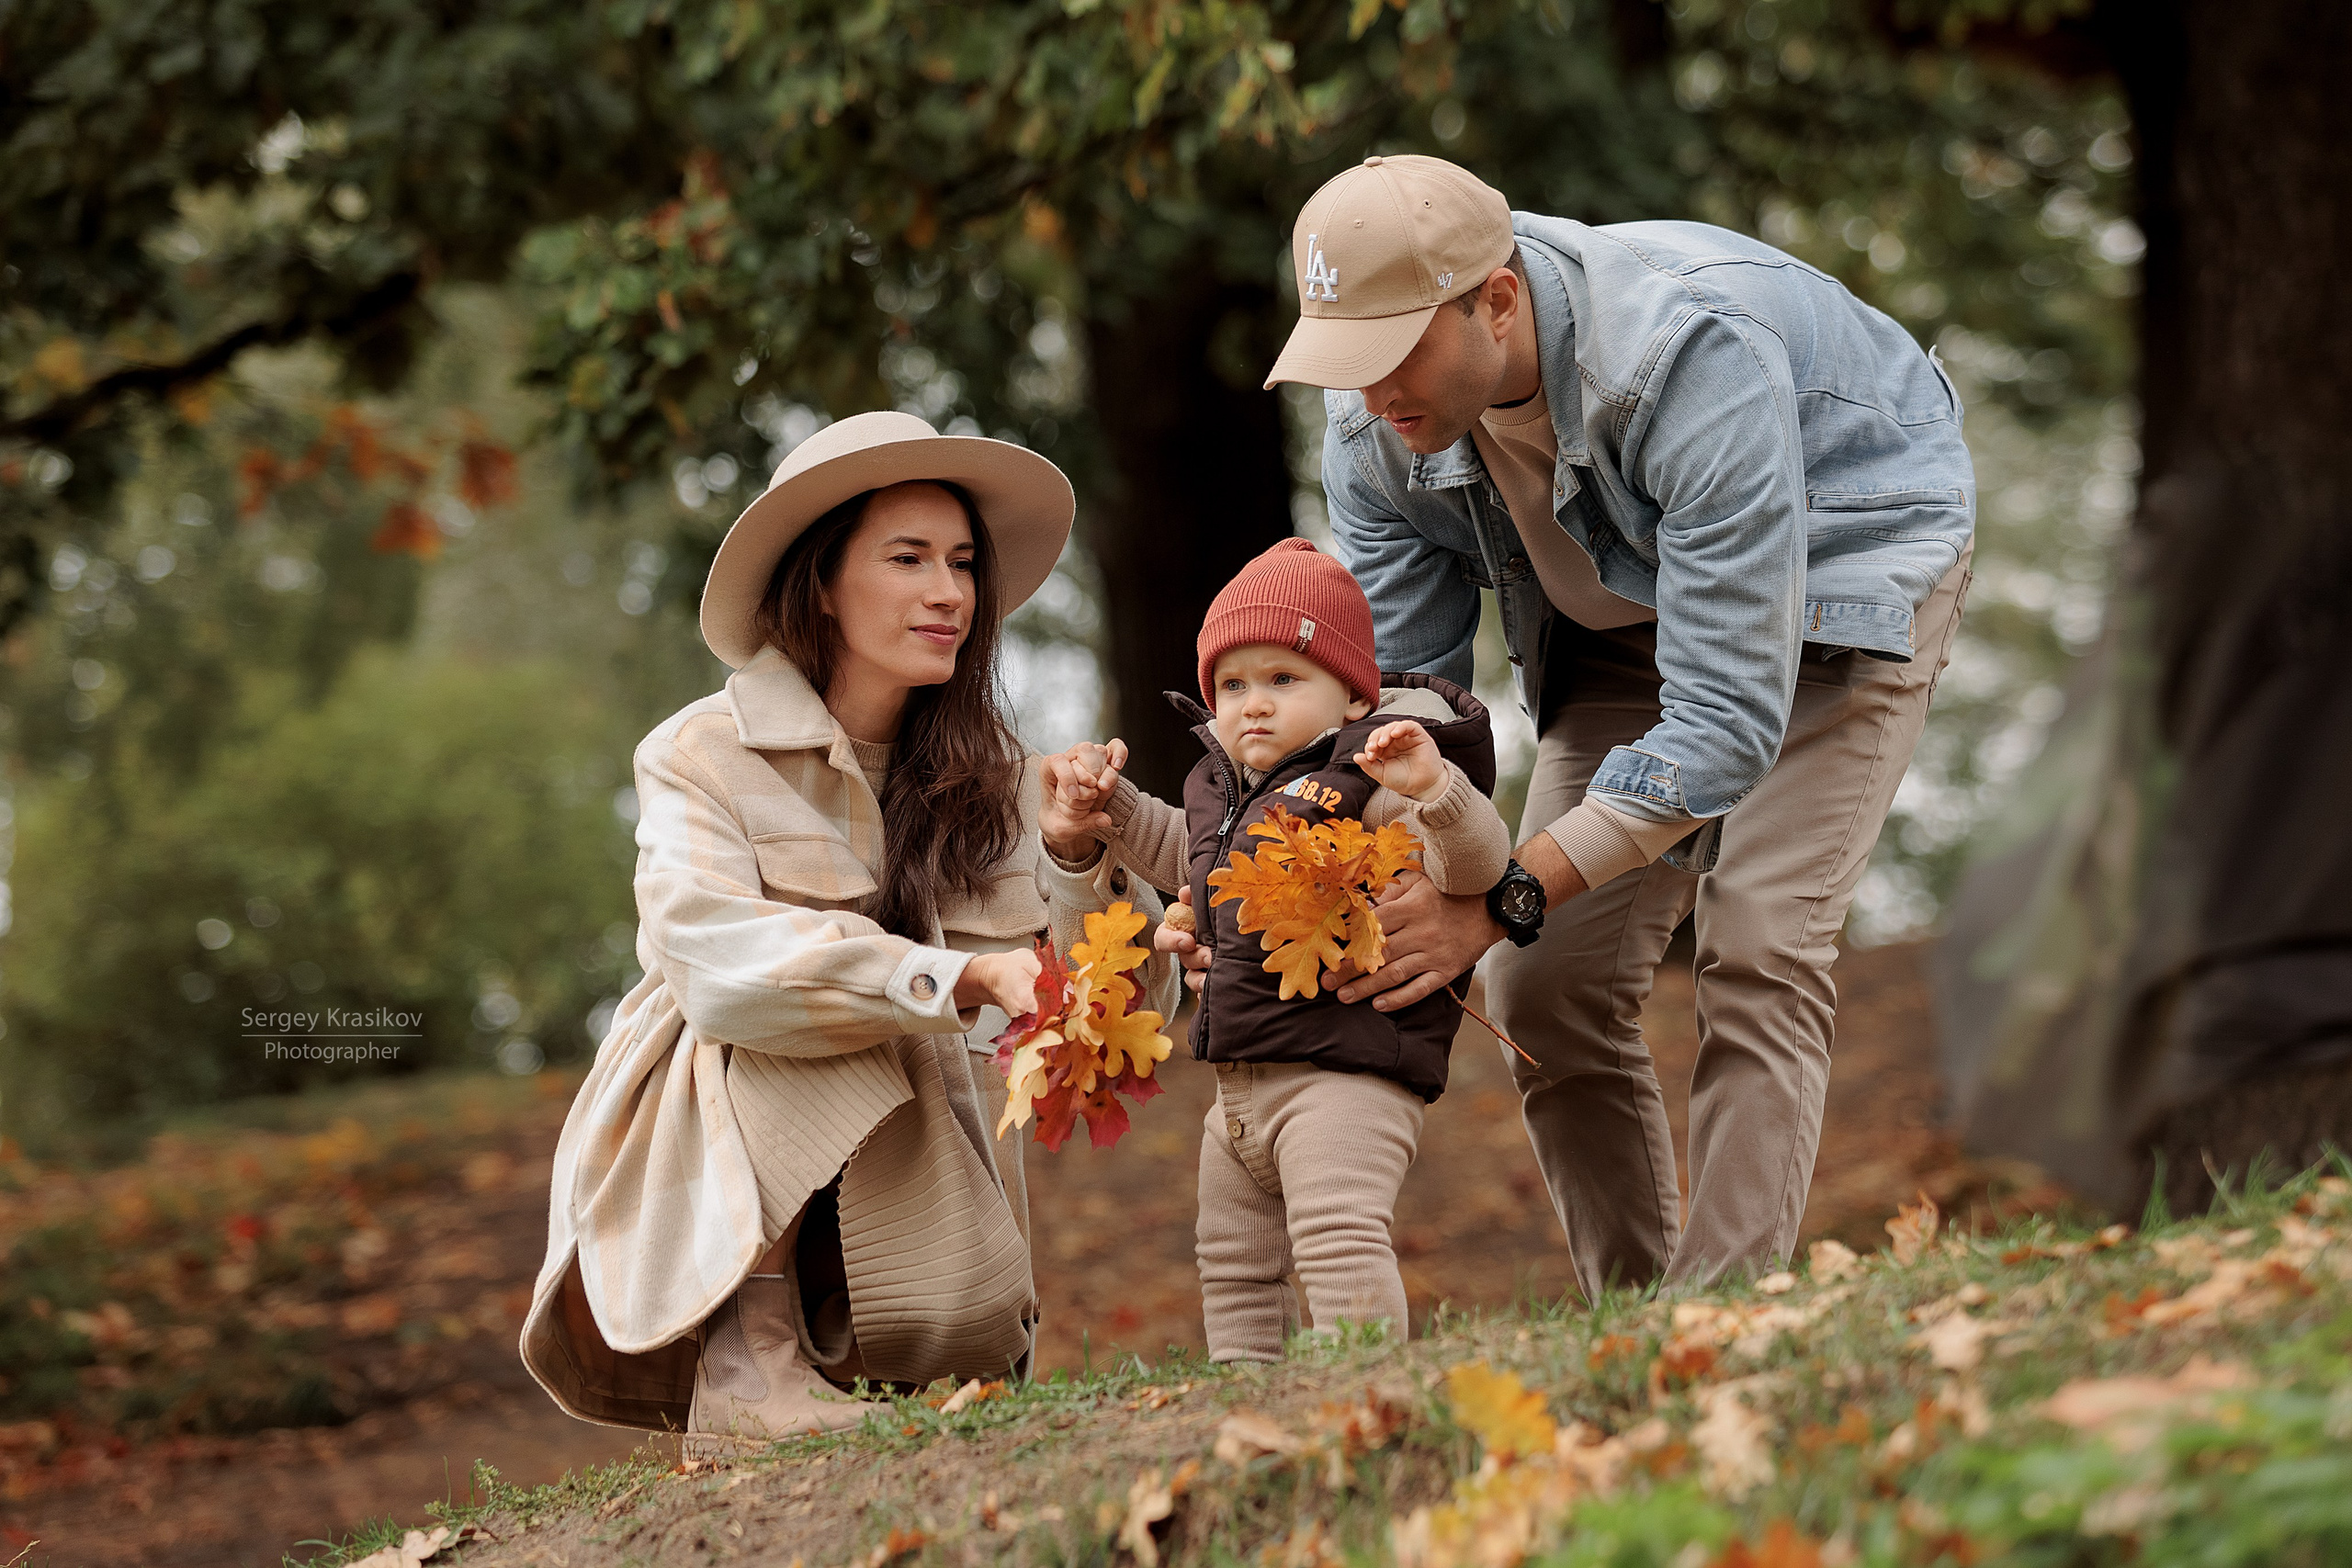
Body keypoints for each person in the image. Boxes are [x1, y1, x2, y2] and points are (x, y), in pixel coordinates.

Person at [1261, 154, 1975, 1292]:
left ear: (1494, 299)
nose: (1370, 392)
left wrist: (1499, 896)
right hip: (1622, 614)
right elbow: (1413, 706)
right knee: (1540, 986)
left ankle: (1725, 1314)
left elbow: (1727, 723)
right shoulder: (1370, 433)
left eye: (1398, 349)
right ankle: (1639, 1319)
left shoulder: (1682, 358)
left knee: (1760, 937)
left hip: (1843, 566)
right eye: (1347, 360)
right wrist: (1315, 876)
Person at [520, 411, 1175, 1453]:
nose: (948, 592)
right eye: (907, 558)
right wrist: (947, 980)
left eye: (962, 563)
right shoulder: (698, 751)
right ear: (821, 579)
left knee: (893, 1020)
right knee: (806, 981)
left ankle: (890, 1359)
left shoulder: (1009, 783)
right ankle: (751, 1362)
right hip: (726, 1128)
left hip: (913, 1192)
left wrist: (1072, 859)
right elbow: (715, 966)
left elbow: (1118, 1019)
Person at [1038, 538, 1510, 1359]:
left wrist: (1437, 791)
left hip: (1344, 1076)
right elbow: (1169, 843)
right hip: (1241, 1091)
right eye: (1232, 683)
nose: (1252, 703)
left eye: (1283, 679)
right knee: (1232, 1264)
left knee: (1335, 1239)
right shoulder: (1218, 792)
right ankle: (1248, 1401)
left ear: (1355, 697)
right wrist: (1106, 805)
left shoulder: (1368, 779)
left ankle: (1359, 1397)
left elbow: (1473, 867)